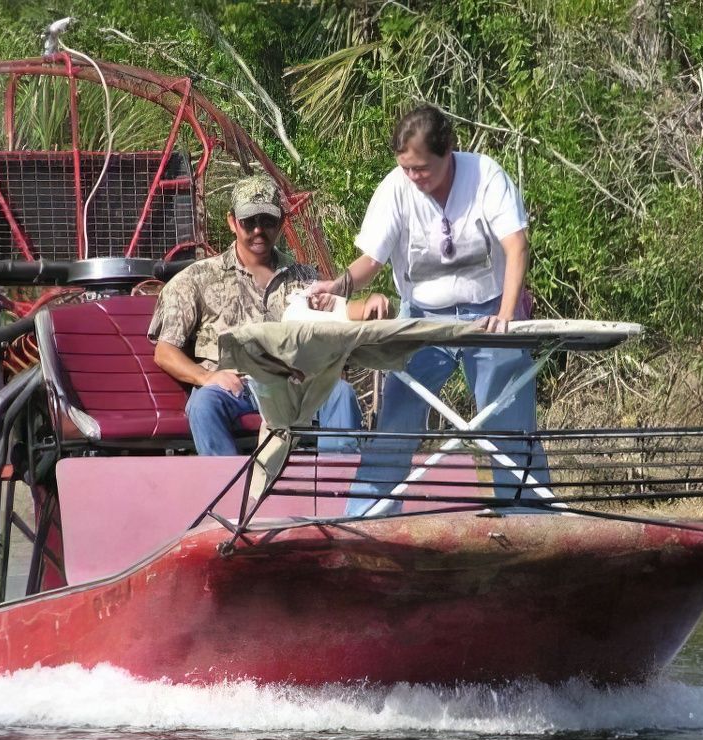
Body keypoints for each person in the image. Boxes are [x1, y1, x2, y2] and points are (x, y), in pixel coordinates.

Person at [305, 105, 546, 515]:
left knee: (509, 422)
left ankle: (533, 520)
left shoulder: (486, 175)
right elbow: (371, 261)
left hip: (489, 313)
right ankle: (366, 518)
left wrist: (506, 316)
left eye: (423, 169)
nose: (415, 177)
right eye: (406, 168)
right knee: (396, 421)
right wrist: (337, 285)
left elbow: (516, 245)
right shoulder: (396, 188)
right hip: (421, 318)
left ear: (448, 150)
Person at [149, 173, 388, 455]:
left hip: (293, 383)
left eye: (267, 221)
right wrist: (205, 377)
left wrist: (372, 302)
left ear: (281, 223)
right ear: (232, 222)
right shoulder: (196, 279)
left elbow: (339, 311)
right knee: (204, 405)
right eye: (249, 221)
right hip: (230, 386)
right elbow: (165, 352)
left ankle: (337, 488)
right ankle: (229, 489)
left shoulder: (301, 276)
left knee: (340, 394)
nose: (258, 230)